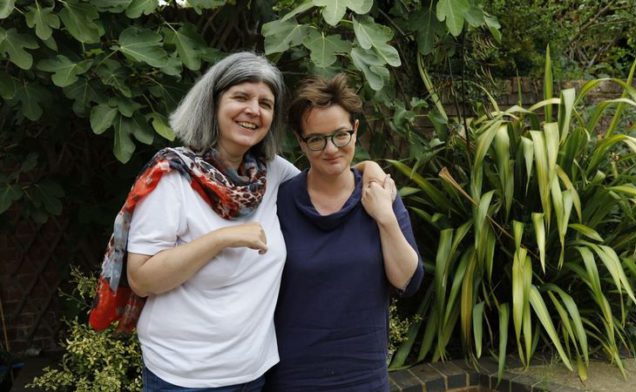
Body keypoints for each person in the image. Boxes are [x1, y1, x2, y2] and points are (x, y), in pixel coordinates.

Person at [87, 52, 386, 392]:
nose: (253, 110)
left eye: (265, 103)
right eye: (241, 97)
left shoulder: (272, 174)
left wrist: (369, 169)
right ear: (213, 103)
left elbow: (329, 171)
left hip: (254, 372)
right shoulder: (173, 179)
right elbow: (141, 279)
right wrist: (222, 238)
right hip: (186, 376)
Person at [263, 74, 424, 392]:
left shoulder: (380, 195)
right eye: (317, 139)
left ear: (356, 131)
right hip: (293, 377)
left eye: (341, 135)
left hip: (363, 376)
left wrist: (385, 218)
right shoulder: (279, 203)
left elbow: (408, 281)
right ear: (300, 140)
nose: (331, 149)